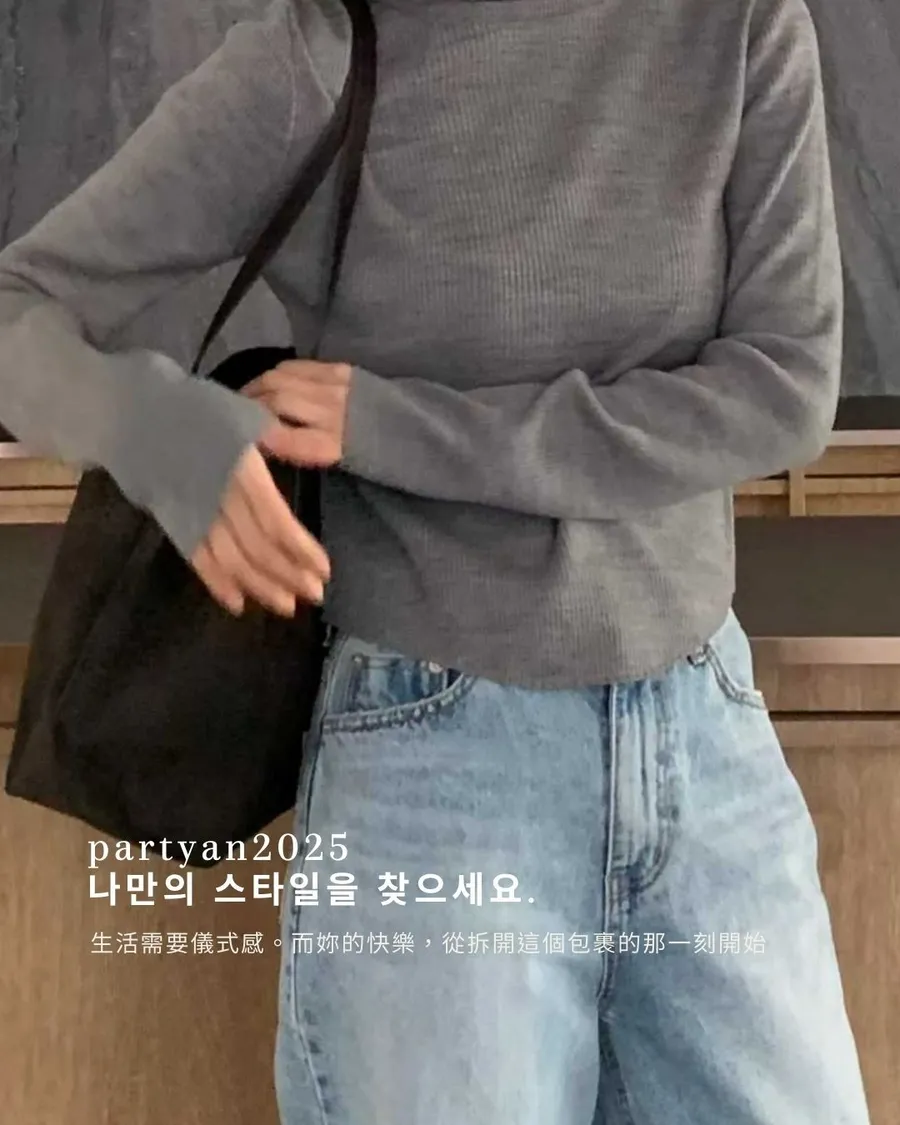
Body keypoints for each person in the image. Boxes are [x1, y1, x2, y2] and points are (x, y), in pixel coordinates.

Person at [0, 0, 872, 1121]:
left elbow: (782, 387)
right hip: (433, 759)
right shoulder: (319, 57)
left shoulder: (737, 23)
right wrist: (160, 430)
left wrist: (404, 429)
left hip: (710, 747)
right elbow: (18, 311)